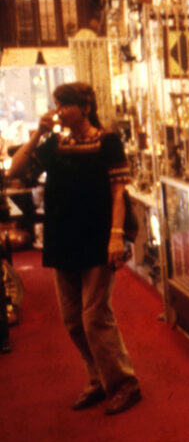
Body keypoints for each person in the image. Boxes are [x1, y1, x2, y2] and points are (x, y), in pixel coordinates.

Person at [7, 82, 141, 415]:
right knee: (72, 320)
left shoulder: (107, 141)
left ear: (84, 107)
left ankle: (124, 382)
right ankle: (97, 378)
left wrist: (115, 236)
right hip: (63, 238)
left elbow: (118, 193)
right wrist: (38, 133)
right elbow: (16, 169)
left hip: (96, 238)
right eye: (57, 104)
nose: (60, 110)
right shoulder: (56, 143)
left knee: (95, 316)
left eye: (65, 104)